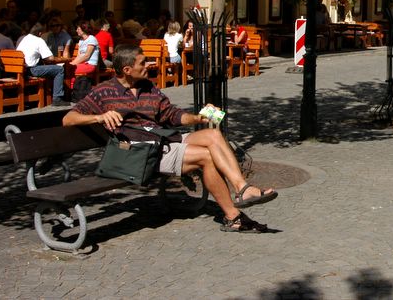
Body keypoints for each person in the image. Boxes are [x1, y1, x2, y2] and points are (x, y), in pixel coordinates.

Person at [63, 44, 278, 233]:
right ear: (127, 70)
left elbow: (172, 114)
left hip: (162, 140)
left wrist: (198, 117)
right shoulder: (104, 92)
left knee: (212, 134)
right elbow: (68, 119)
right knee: (207, 156)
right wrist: (99, 116)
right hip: (140, 153)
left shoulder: (149, 88)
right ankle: (233, 214)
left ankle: (242, 189)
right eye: (142, 62)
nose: (148, 64)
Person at [16, 23, 69, 105]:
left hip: (22, 69)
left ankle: (47, 95)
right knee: (59, 69)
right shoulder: (39, 40)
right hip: (31, 70)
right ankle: (57, 98)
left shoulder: (25, 38)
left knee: (47, 68)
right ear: (40, 33)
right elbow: (50, 58)